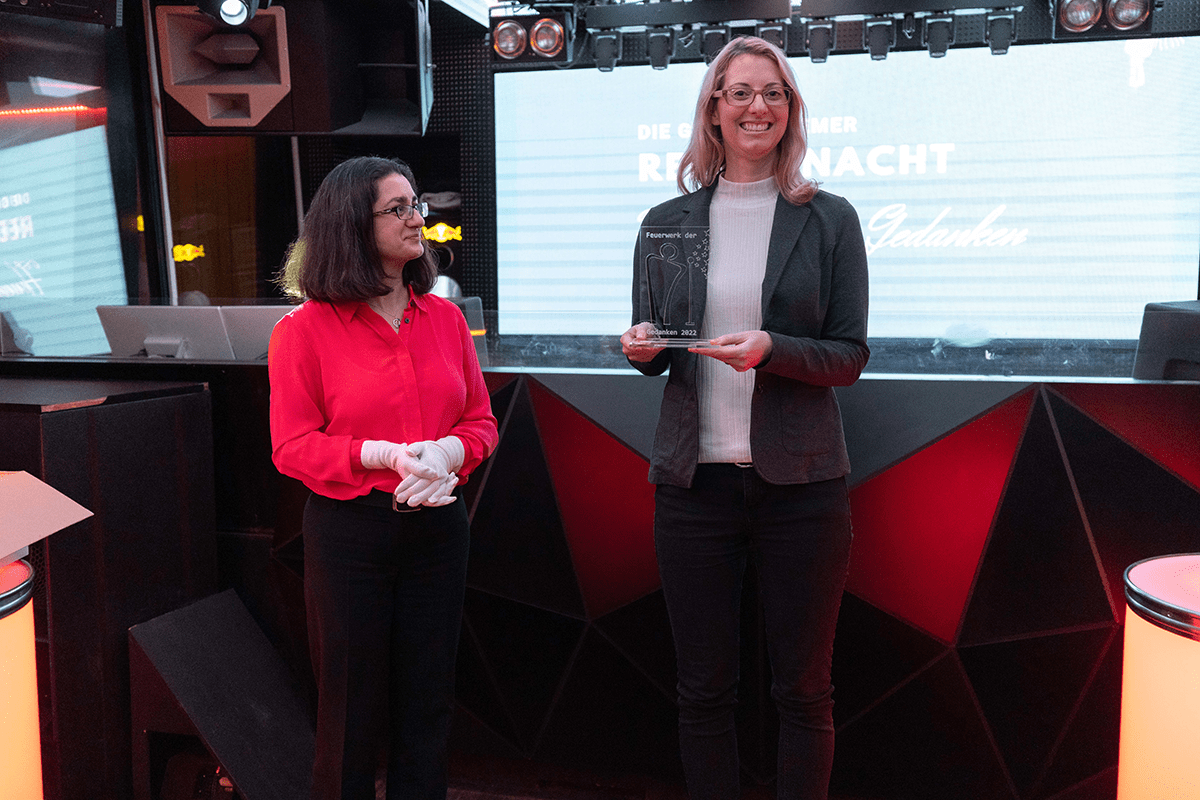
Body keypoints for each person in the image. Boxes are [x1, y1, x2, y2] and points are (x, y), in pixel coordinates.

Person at [619, 36, 869, 800]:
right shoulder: (669, 221)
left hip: (803, 488)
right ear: (714, 110)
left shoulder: (827, 219)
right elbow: (662, 348)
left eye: (773, 93)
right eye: (741, 93)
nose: (757, 107)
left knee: (804, 692)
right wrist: (641, 348)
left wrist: (771, 349)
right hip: (694, 487)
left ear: (790, 110)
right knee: (703, 693)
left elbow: (849, 356)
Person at [268, 156, 498, 800]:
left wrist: (446, 453)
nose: (416, 218)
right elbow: (291, 447)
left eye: (415, 204)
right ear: (351, 225)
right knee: (349, 712)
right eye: (397, 209)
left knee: (428, 706)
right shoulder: (302, 331)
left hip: (439, 530)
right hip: (351, 536)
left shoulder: (446, 319)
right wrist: (381, 454)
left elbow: (481, 423)